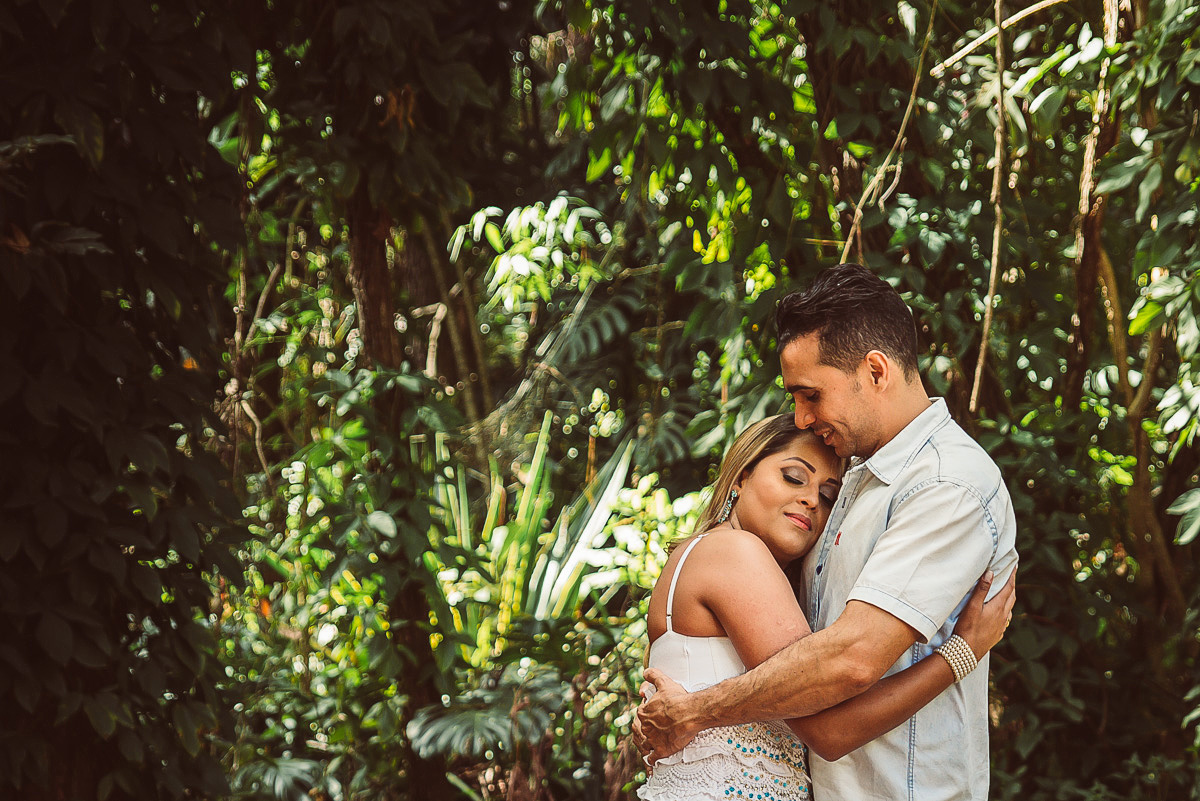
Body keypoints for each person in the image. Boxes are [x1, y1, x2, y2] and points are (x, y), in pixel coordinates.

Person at [635, 264, 1020, 801]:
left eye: (811, 394)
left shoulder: (945, 483)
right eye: (794, 477)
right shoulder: (854, 477)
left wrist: (695, 710)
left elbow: (850, 660)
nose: (800, 416)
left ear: (876, 372)